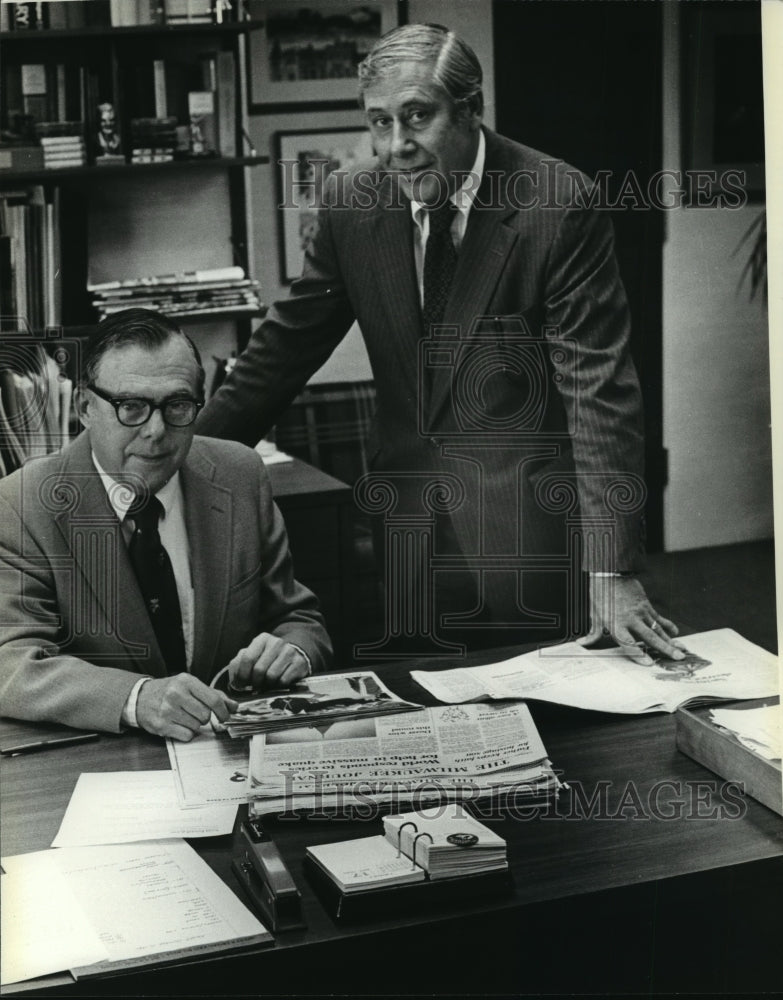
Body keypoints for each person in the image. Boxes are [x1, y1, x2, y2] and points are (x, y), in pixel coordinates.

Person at [197, 23, 683, 664]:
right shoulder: (351, 203)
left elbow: (598, 392)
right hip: (408, 529)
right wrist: (179, 458)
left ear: (471, 108)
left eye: (416, 117)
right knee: (430, 721)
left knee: (563, 733)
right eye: (378, 123)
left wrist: (610, 569)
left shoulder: (557, 205)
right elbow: (283, 350)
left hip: (535, 538)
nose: (396, 146)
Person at [0, 309, 332, 741]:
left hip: (232, 754)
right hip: (104, 771)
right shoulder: (23, 502)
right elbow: (12, 663)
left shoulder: (240, 473)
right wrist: (138, 699)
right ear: (85, 407)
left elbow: (299, 617)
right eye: (130, 407)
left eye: (177, 405)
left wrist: (293, 650)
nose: (156, 431)